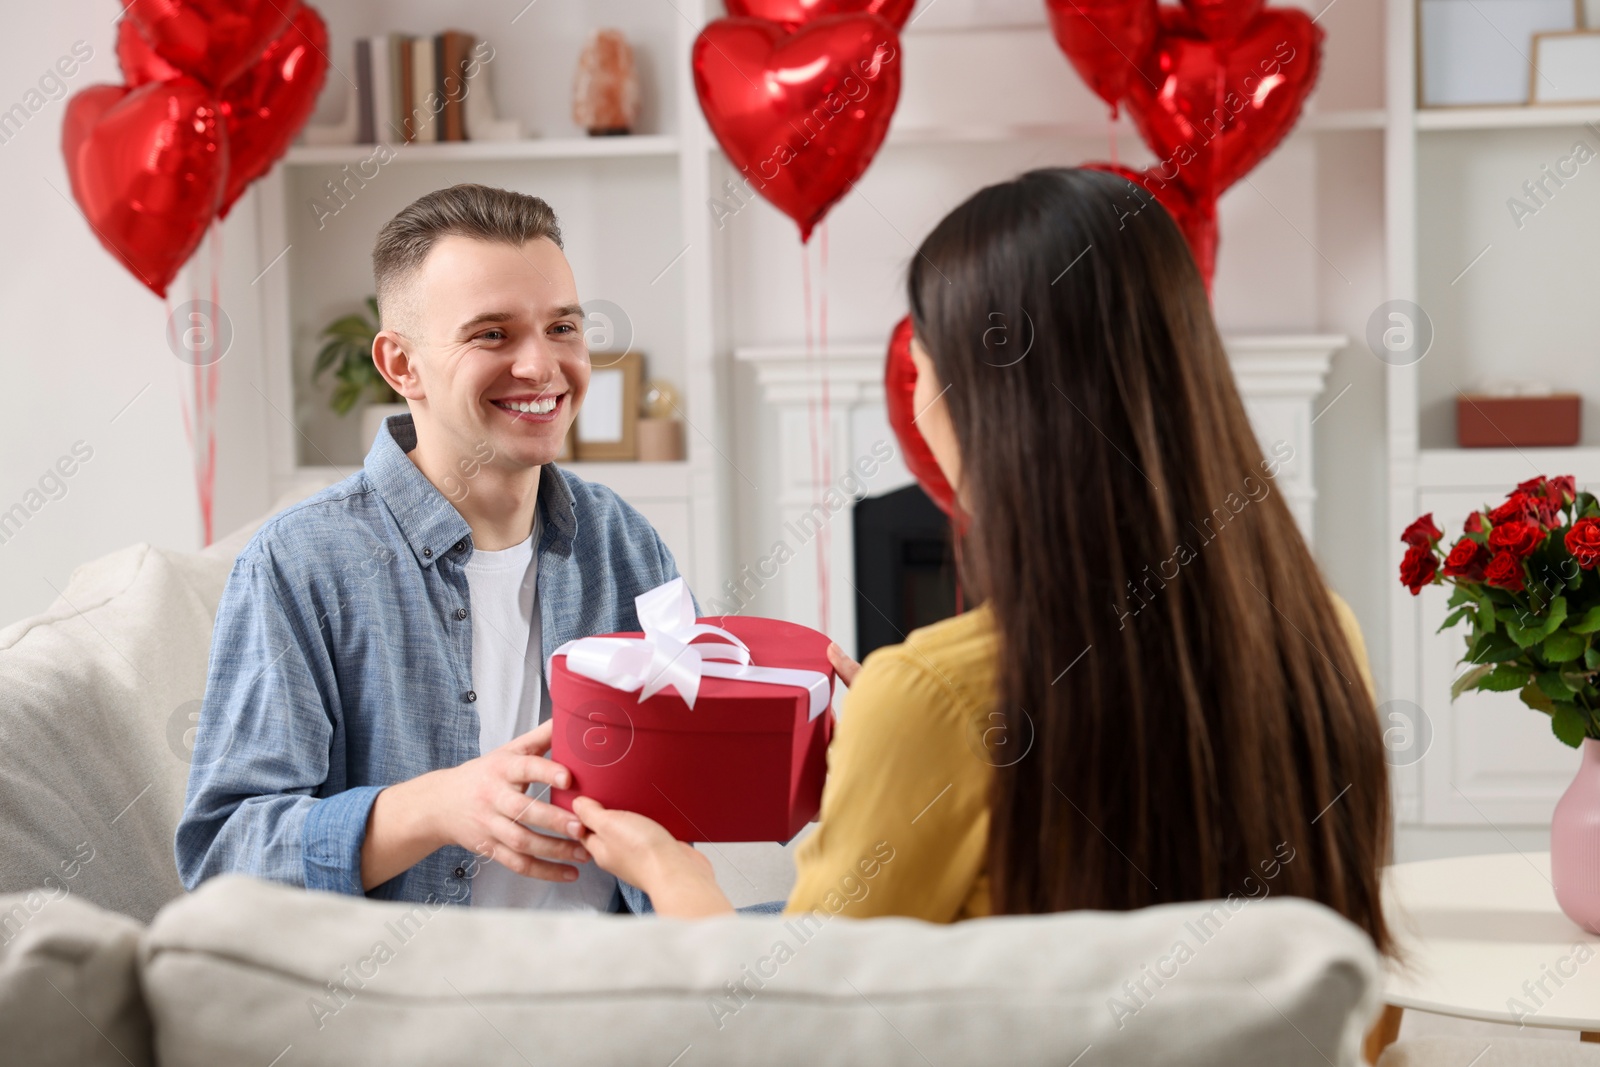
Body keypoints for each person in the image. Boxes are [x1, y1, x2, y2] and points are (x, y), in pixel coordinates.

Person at [572, 166, 1393, 956]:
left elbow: (795, 1021)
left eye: (921, 359)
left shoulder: (935, 694)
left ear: (985, 401)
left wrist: (671, 880)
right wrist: (885, 775)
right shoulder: (1324, 634)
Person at [176, 184, 688, 914]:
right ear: (400, 365)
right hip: (415, 1000)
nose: (543, 367)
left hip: (618, 979)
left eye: (564, 327)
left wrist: (820, 732)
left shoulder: (624, 544)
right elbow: (225, 856)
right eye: (492, 334)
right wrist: (434, 808)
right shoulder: (302, 563)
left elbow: (688, 775)